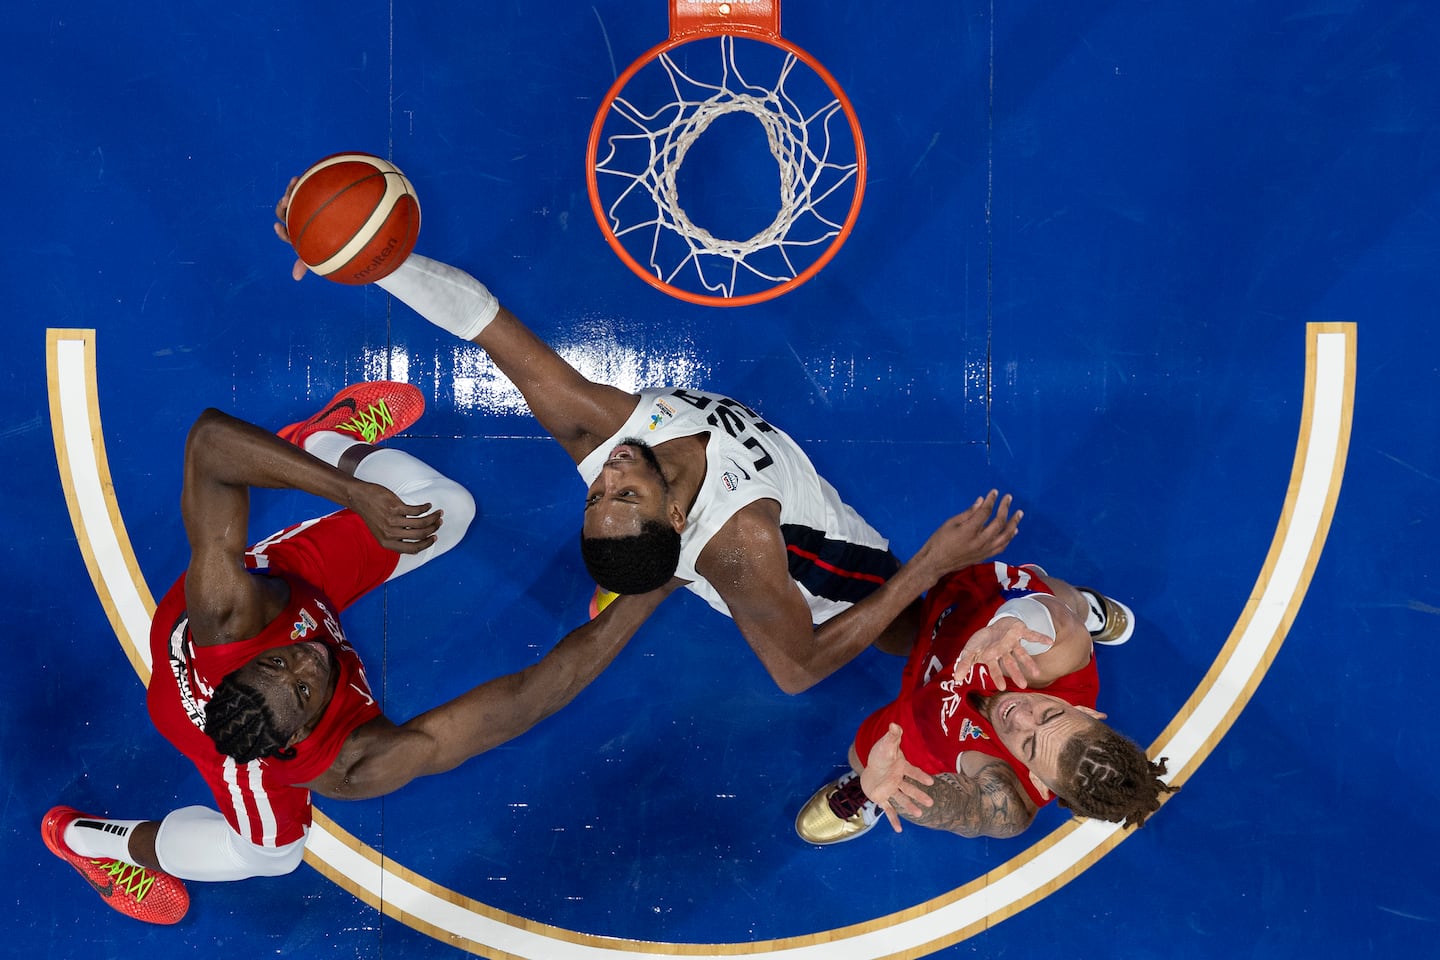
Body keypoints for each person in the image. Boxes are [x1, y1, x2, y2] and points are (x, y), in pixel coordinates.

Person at [275, 181, 1023, 695]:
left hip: (696, 533)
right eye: (621, 492)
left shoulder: (598, 433)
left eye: (598, 494)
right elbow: (797, 671)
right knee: (919, 629)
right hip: (821, 577)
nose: (611, 470)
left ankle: (637, 571)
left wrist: (362, 258)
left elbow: (484, 326)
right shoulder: (743, 547)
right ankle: (649, 574)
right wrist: (930, 563)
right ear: (671, 516)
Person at [42, 383, 679, 925]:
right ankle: (88, 843)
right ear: (299, 738)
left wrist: (352, 493)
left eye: (277, 663)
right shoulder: (348, 765)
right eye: (300, 690)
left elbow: (209, 443)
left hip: (285, 589)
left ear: (247, 658)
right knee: (273, 856)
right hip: (212, 724)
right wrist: (654, 587)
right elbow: (532, 696)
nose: (304, 660)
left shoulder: (228, 612)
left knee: (445, 511)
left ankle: (325, 441)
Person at [793, 560, 1176, 844]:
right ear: (1087, 710)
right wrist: (1014, 621)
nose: (1021, 716)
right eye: (1049, 713)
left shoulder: (1011, 796)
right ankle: (1090, 608)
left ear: (1040, 785)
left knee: (866, 760)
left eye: (1028, 744)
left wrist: (892, 790)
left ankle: (867, 792)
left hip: (926, 706)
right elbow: (1054, 624)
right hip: (978, 610)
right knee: (1060, 599)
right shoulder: (1064, 665)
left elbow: (972, 811)